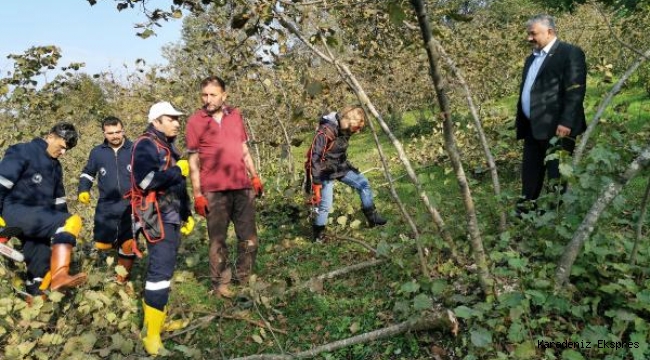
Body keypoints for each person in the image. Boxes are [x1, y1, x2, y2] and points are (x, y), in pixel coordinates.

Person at [186, 76, 263, 299]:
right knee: (218, 240)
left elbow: (243, 148)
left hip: (242, 186)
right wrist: (198, 194)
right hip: (215, 191)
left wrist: (255, 176)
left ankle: (243, 276)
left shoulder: (235, 116)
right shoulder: (195, 121)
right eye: (204, 95)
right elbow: (193, 162)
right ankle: (220, 284)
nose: (208, 99)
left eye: (213, 95)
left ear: (224, 95)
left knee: (249, 237)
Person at [131, 101, 194, 355]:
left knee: (165, 271)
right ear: (156, 121)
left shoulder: (166, 144)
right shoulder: (145, 144)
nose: (177, 122)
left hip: (171, 215)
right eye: (171, 118)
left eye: (178, 118)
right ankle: (151, 335)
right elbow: (146, 182)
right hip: (156, 217)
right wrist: (178, 171)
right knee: (159, 274)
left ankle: (159, 321)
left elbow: (177, 186)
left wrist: (186, 213)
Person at [0, 122, 87, 298]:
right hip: (15, 210)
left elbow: (59, 202)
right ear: (51, 136)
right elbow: (1, 184)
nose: (63, 153)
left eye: (66, 150)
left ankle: (33, 310)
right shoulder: (23, 151)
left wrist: (66, 234)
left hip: (38, 220)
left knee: (42, 274)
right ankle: (61, 275)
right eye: (62, 147)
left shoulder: (56, 166)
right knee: (73, 220)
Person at [515, 14, 587, 215]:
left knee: (556, 175)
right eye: (528, 33)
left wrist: (566, 122)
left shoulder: (570, 53)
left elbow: (575, 90)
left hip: (558, 129)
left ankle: (553, 218)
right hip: (532, 126)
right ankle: (525, 214)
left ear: (550, 32)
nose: (529, 38)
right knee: (530, 174)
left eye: (533, 33)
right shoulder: (532, 57)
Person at [305, 106, 387, 243]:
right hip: (323, 171)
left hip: (339, 166)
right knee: (325, 205)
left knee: (363, 184)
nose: (358, 131)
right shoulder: (325, 132)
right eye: (356, 128)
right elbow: (315, 158)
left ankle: (373, 219)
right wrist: (317, 183)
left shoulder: (344, 129)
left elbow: (339, 152)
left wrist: (349, 167)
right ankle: (318, 236)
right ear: (347, 120)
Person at [78, 116, 135, 283]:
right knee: (103, 245)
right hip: (106, 204)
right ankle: (116, 251)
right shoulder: (97, 152)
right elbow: (88, 173)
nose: (115, 136)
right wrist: (83, 190)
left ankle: (122, 279)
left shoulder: (134, 149)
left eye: (118, 132)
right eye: (110, 133)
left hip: (130, 204)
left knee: (128, 244)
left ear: (123, 130)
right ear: (104, 133)